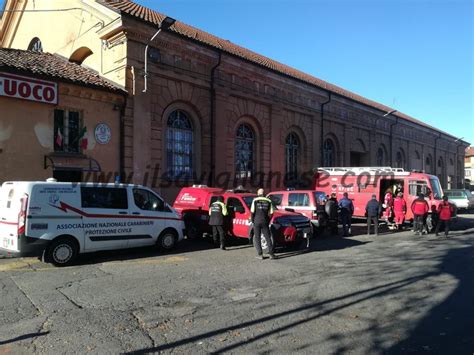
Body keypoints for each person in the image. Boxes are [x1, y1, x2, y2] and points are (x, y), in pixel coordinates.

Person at [250, 188, 275, 260]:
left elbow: (252, 212)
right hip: (265, 221)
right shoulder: (269, 201)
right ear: (264, 194)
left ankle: (260, 255)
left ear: (258, 194)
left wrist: (253, 221)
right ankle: (271, 254)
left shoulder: (255, 200)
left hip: (256, 221)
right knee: (268, 237)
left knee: (257, 238)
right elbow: (271, 213)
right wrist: (268, 220)